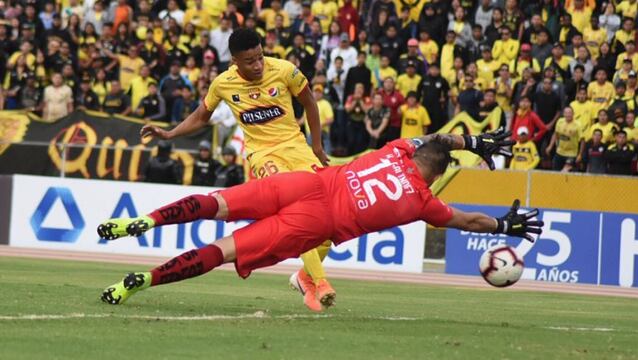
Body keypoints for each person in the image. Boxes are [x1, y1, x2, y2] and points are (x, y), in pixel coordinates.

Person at [97, 130, 543, 307]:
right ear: (440, 172)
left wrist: (475, 141)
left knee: (217, 203)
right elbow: (467, 222)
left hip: (306, 184)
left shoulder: (395, 148)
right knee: (220, 252)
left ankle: (149, 219)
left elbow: (436, 139)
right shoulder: (423, 203)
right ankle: (141, 282)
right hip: (316, 223)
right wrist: (506, 225)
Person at [138, 29, 333, 313]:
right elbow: (200, 116)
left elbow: (309, 102)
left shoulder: (285, 70)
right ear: (235, 61)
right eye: (249, 61)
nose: (257, 65)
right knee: (297, 209)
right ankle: (322, 282)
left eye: (260, 57)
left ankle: (304, 277)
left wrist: (316, 145)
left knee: (326, 220)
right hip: (263, 155)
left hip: (297, 147)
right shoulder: (223, 83)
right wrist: (169, 134)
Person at [545, 107, 583, 172]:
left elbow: (582, 140)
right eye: (566, 113)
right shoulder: (560, 121)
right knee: (555, 171)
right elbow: (555, 134)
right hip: (559, 152)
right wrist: (550, 146)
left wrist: (580, 154)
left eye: (570, 113)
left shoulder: (578, 124)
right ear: (564, 114)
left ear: (573, 114)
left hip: (571, 153)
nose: (568, 115)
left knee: (565, 171)